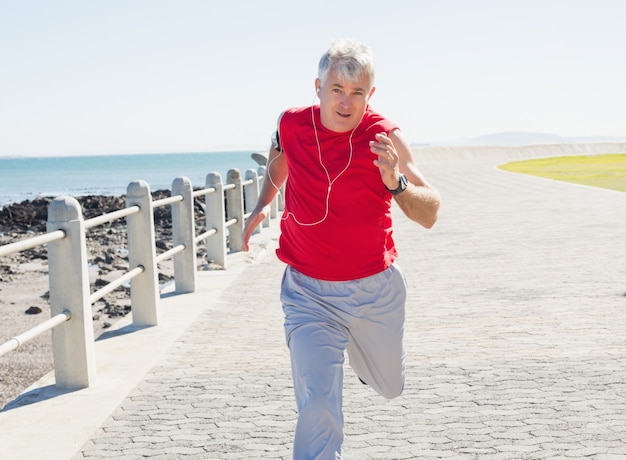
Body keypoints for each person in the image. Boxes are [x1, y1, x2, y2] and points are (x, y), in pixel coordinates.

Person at [242, 38, 440, 459]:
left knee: (391, 387)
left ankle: (360, 350)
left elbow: (430, 212)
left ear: (371, 94)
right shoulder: (291, 123)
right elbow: (279, 156)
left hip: (375, 292)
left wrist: (395, 183)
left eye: (357, 93)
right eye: (336, 90)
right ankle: (331, 342)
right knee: (317, 406)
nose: (346, 103)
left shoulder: (384, 137)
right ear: (318, 88)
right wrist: (262, 203)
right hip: (308, 294)